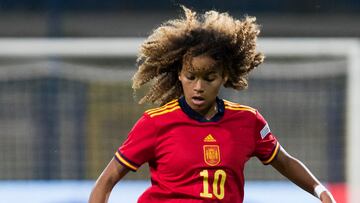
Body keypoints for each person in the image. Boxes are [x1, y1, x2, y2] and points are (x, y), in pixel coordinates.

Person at [89, 6, 336, 203]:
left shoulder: (248, 122)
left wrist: (319, 190)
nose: (198, 86)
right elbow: (107, 180)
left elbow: (284, 161)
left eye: (209, 78)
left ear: (224, 76)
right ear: (179, 74)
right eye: (191, 76)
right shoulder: (155, 123)